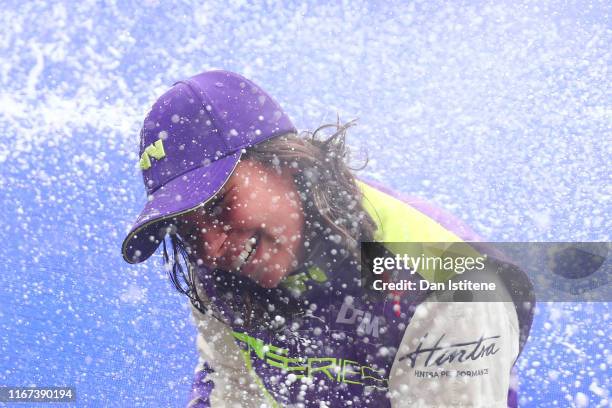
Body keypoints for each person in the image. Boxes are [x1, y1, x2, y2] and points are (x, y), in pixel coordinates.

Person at [121, 70, 534, 407]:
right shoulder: (217, 267)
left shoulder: (450, 284)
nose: (210, 247)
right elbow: (232, 392)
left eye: (216, 204)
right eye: (187, 228)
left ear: (285, 162)